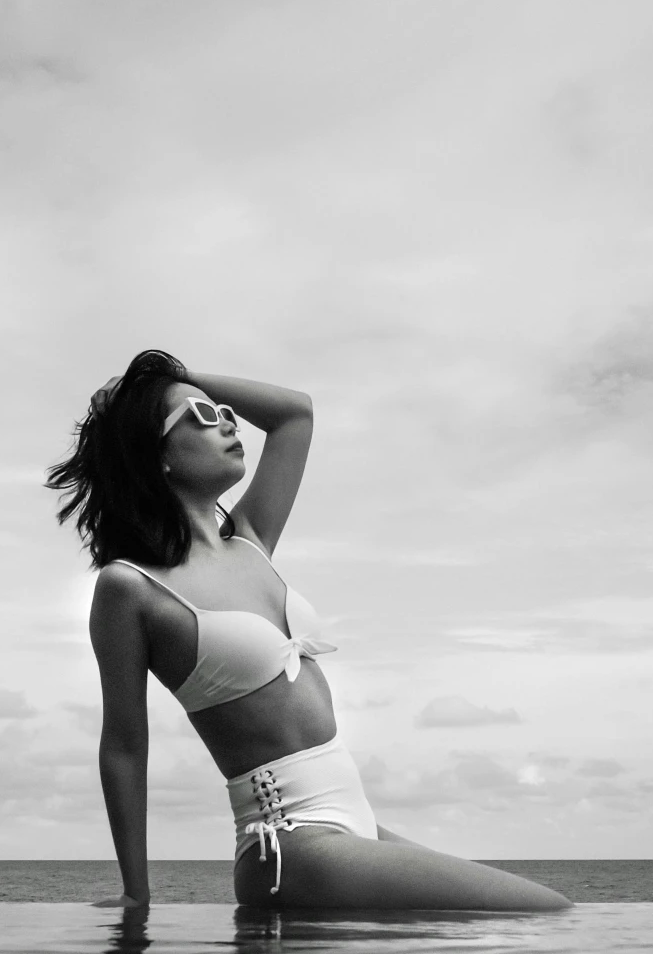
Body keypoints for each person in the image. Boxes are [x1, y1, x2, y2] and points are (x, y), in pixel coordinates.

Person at [45, 350, 570, 912]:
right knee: (544, 912)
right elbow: (125, 746)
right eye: (200, 414)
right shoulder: (131, 588)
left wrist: (172, 382)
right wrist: (136, 894)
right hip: (292, 844)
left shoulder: (249, 542)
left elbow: (295, 415)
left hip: (355, 825)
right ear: (157, 455)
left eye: (223, 409)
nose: (227, 419)